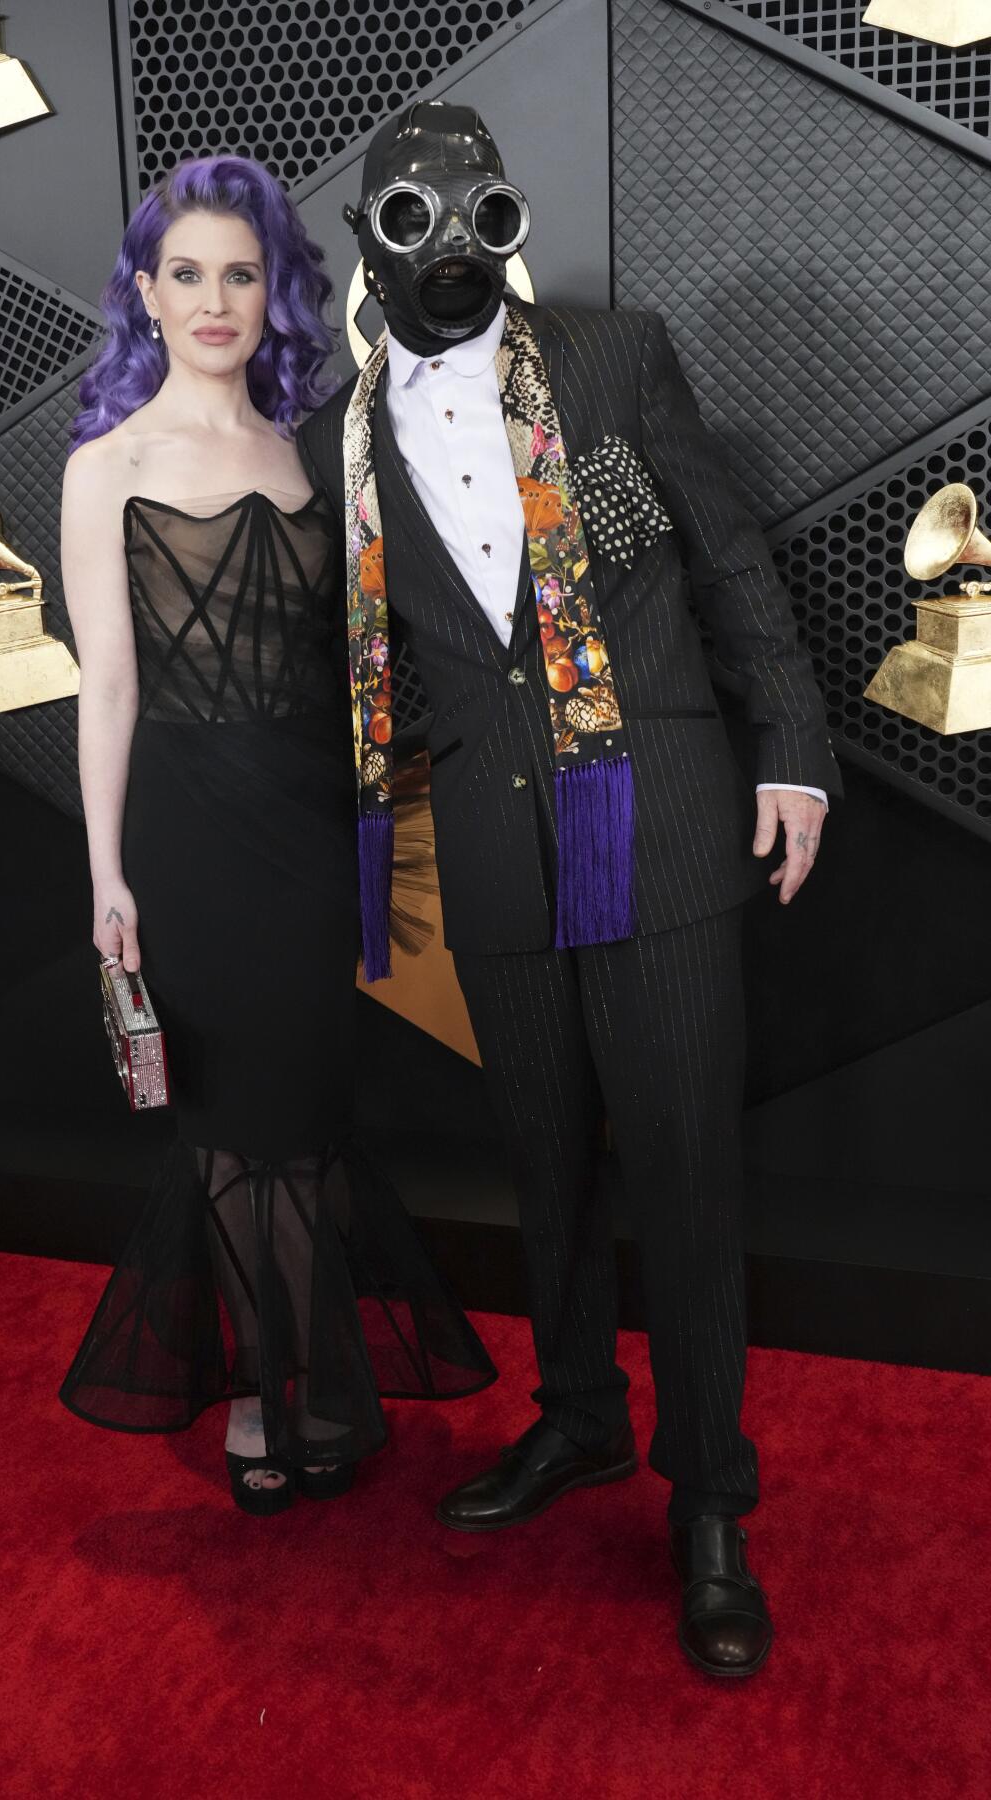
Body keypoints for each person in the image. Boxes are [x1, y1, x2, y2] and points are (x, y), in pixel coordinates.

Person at [296, 101, 841, 1673]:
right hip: (490, 842)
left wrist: (792, 750)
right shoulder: (346, 431)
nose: (450, 245)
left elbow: (729, 555)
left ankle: (711, 1508)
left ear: (507, 226)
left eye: (477, 213)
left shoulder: (609, 359)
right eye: (414, 217)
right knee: (546, 1165)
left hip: (658, 821)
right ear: (374, 240)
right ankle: (583, 1421)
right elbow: (377, 661)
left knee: (680, 1169)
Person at [56, 153, 495, 1517]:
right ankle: (269, 1389)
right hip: (189, 839)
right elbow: (110, 685)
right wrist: (107, 876)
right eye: (185, 273)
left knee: (302, 1126)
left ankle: (295, 1376)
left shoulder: (318, 450)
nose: (213, 299)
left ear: (276, 294)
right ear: (145, 292)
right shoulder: (102, 466)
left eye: (239, 273)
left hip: (314, 831)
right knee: (233, 1133)